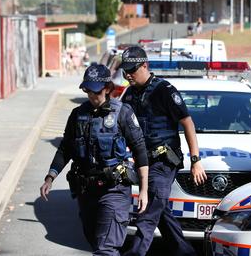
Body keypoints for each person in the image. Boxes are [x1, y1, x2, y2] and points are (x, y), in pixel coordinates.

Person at [40, 64, 149, 255]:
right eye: (88, 90)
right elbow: (66, 148)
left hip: (113, 191)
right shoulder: (78, 114)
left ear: (107, 89)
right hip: (86, 192)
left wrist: (144, 190)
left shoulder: (123, 113)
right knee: (95, 241)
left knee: (105, 249)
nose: (91, 95)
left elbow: (140, 152)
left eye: (96, 91)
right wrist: (50, 177)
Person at [119, 46, 207, 256]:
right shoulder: (130, 94)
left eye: (132, 70)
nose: (128, 75)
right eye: (125, 71)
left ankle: (136, 252)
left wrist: (196, 160)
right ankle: (185, 252)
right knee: (161, 210)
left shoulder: (164, 90)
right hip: (144, 163)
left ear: (145, 65)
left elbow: (187, 123)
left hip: (164, 161)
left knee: (149, 209)